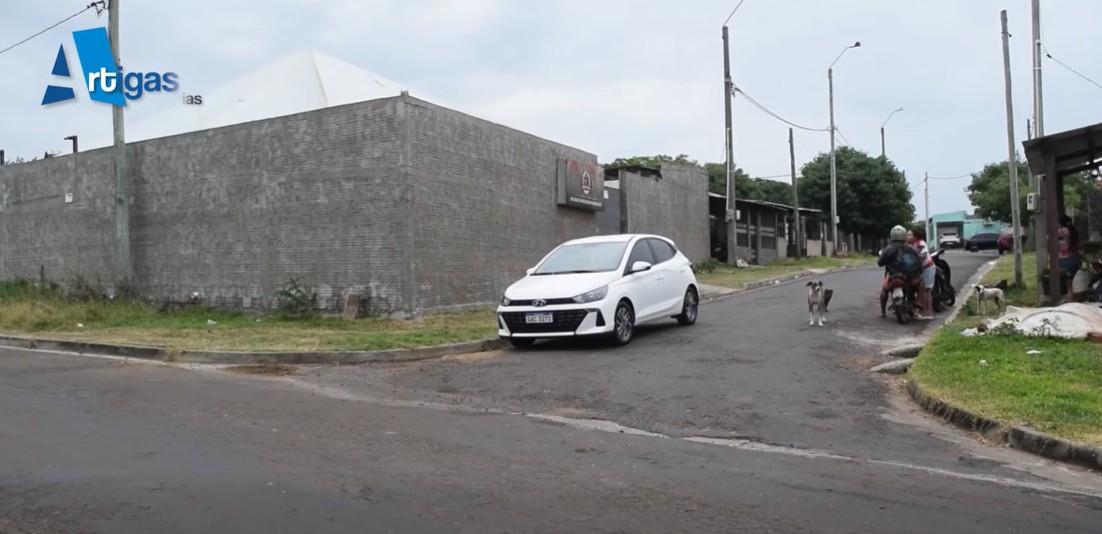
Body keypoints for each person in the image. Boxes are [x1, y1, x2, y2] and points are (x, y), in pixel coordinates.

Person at [877, 225, 928, 319]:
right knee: (921, 283)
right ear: (904, 235)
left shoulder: (888, 248)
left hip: (892, 275)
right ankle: (918, 301)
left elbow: (880, 263)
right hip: (908, 276)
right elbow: (918, 262)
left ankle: (883, 312)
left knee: (884, 290)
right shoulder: (910, 248)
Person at [907, 227, 936, 319]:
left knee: (927, 289)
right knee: (919, 289)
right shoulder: (908, 245)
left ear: (915, 237)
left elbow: (922, 256)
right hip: (917, 270)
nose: (907, 237)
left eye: (909, 235)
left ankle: (929, 312)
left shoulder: (921, 243)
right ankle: (919, 310)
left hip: (927, 268)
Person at [1058, 214, 1080, 302]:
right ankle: (1072, 299)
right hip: (1074, 258)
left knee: (1067, 284)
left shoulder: (1062, 231)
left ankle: (1070, 300)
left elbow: (1048, 237)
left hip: (1064, 259)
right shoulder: (1072, 230)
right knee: (1070, 284)